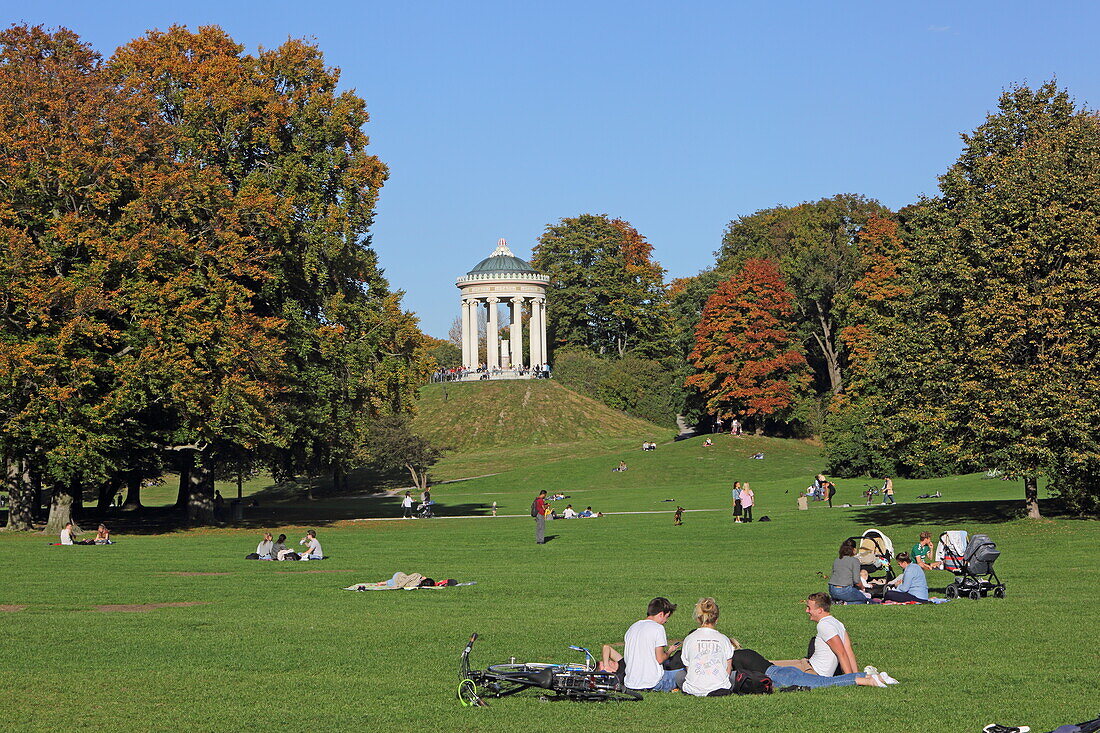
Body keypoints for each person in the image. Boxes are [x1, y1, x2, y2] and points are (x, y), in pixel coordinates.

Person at [766, 593, 897, 689]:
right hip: (806, 664)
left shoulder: (825, 625)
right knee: (767, 664)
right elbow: (848, 651)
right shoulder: (837, 623)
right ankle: (871, 676)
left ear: (819, 610)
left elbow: (842, 653)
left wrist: (852, 679)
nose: (807, 611)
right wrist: (857, 675)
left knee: (766, 669)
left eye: (809, 608)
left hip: (811, 671)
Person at [620, 598, 684, 692]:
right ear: (661, 614)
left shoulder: (632, 628)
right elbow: (660, 659)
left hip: (630, 682)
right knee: (684, 672)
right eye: (667, 617)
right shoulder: (658, 628)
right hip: (653, 683)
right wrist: (670, 650)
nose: (666, 621)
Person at [681, 598, 735, 697]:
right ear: (717, 619)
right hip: (720, 687)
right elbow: (728, 669)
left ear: (698, 618)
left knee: (679, 676)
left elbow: (688, 667)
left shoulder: (689, 639)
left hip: (693, 689)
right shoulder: (724, 639)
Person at [829, 539, 871, 604]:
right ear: (854, 550)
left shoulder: (837, 560)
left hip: (832, 589)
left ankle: (838, 601)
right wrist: (862, 587)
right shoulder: (855, 561)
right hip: (844, 590)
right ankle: (844, 603)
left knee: (856, 598)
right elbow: (856, 580)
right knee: (864, 599)